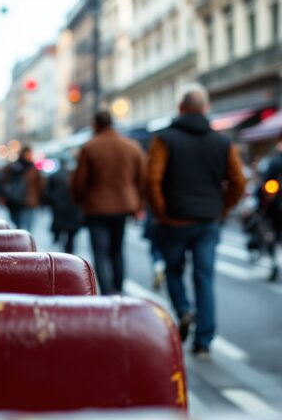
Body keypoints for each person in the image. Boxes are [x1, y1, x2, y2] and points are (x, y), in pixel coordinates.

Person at [147, 84, 246, 357]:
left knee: (173, 270)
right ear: (206, 109)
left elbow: (152, 179)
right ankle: (204, 340)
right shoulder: (223, 142)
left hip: (174, 221)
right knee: (205, 278)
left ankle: (183, 310)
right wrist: (222, 208)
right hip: (207, 221)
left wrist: (162, 211)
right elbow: (238, 181)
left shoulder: (164, 139)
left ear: (180, 108)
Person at [71, 111, 146, 295]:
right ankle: (119, 289)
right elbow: (142, 179)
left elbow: (79, 182)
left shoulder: (90, 148)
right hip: (123, 206)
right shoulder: (131, 146)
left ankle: (107, 293)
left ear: (96, 124)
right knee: (117, 250)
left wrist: (79, 201)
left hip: (96, 207)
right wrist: (139, 204)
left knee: (100, 252)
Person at [256, 140, 282, 281]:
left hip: (275, 207)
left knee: (272, 234)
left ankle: (274, 264)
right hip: (276, 205)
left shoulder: (275, 162)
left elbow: (266, 185)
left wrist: (262, 203)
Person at [0, 146, 42, 231]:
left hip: (21, 200)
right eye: (29, 154)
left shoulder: (14, 167)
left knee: (21, 224)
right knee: (23, 225)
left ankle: (22, 241)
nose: (30, 156)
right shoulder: (30, 168)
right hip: (21, 200)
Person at [45, 157, 82, 253]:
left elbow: (48, 193)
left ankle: (58, 241)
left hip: (59, 207)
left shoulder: (54, 176)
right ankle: (69, 250)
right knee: (71, 234)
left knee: (60, 228)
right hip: (72, 208)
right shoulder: (74, 175)